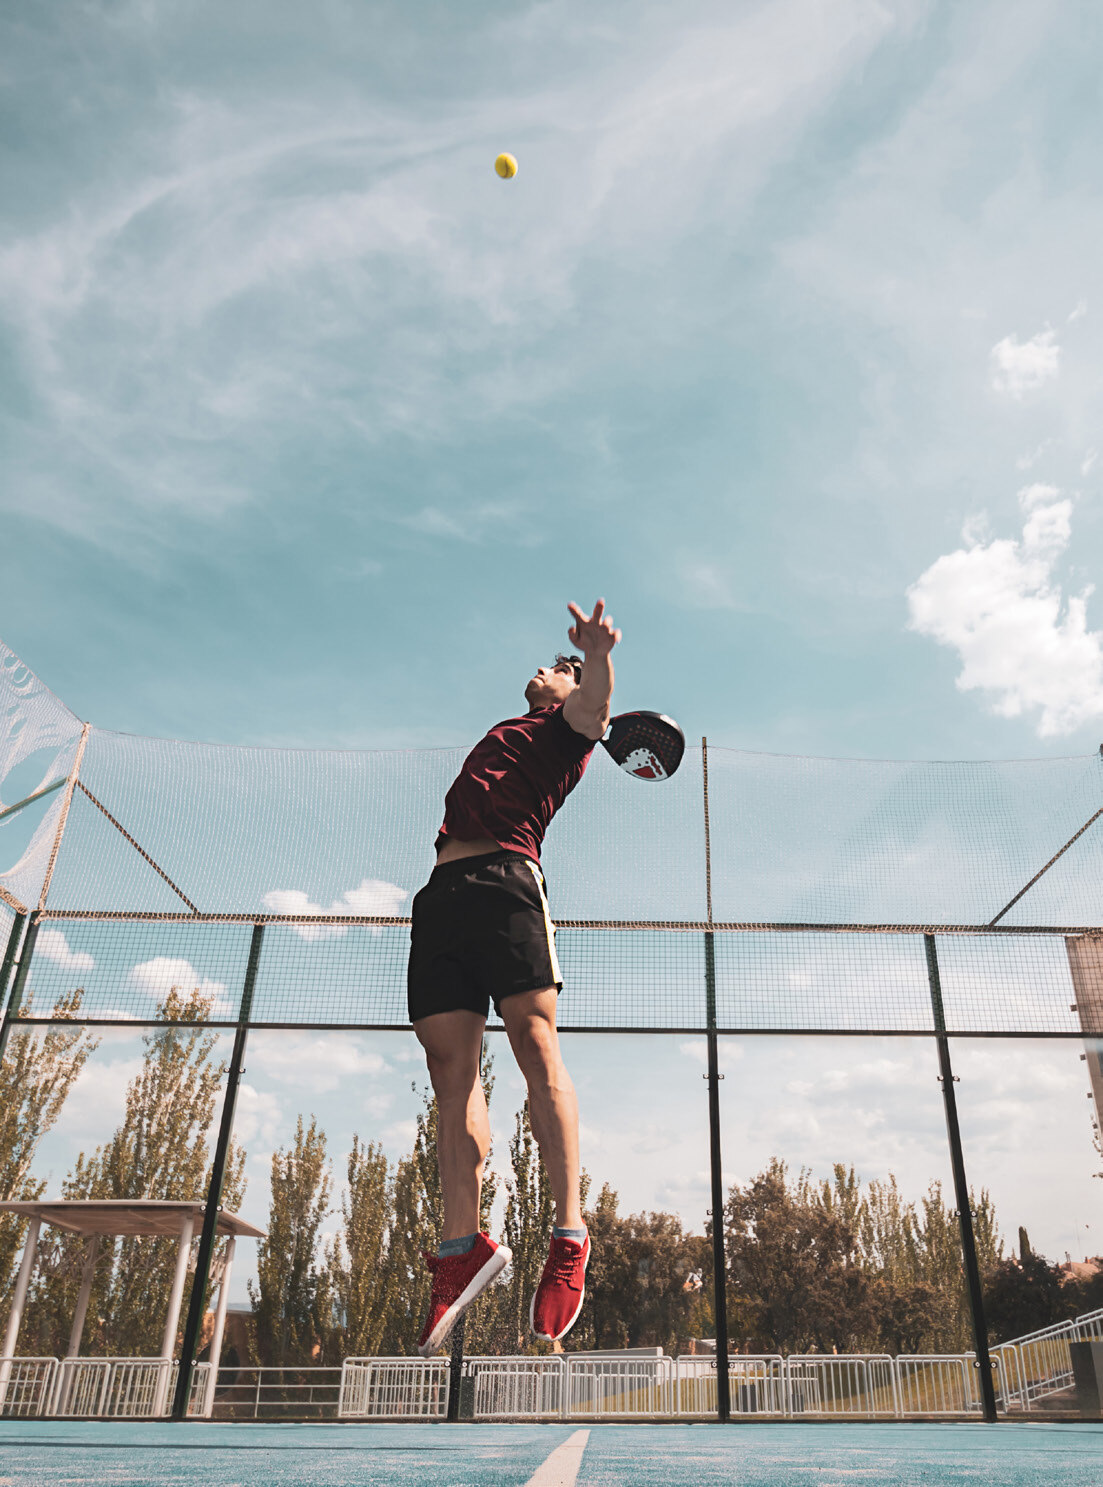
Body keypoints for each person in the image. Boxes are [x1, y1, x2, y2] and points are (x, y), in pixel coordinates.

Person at [408, 599, 620, 1357]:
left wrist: (593, 655)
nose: (550, 667)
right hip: (442, 895)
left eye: (558, 668)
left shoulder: (571, 730)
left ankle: (568, 1232)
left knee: (533, 1038)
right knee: (449, 1072)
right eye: (556, 663)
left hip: (506, 880)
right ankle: (459, 1245)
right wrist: (578, 668)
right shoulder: (511, 726)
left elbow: (597, 701)